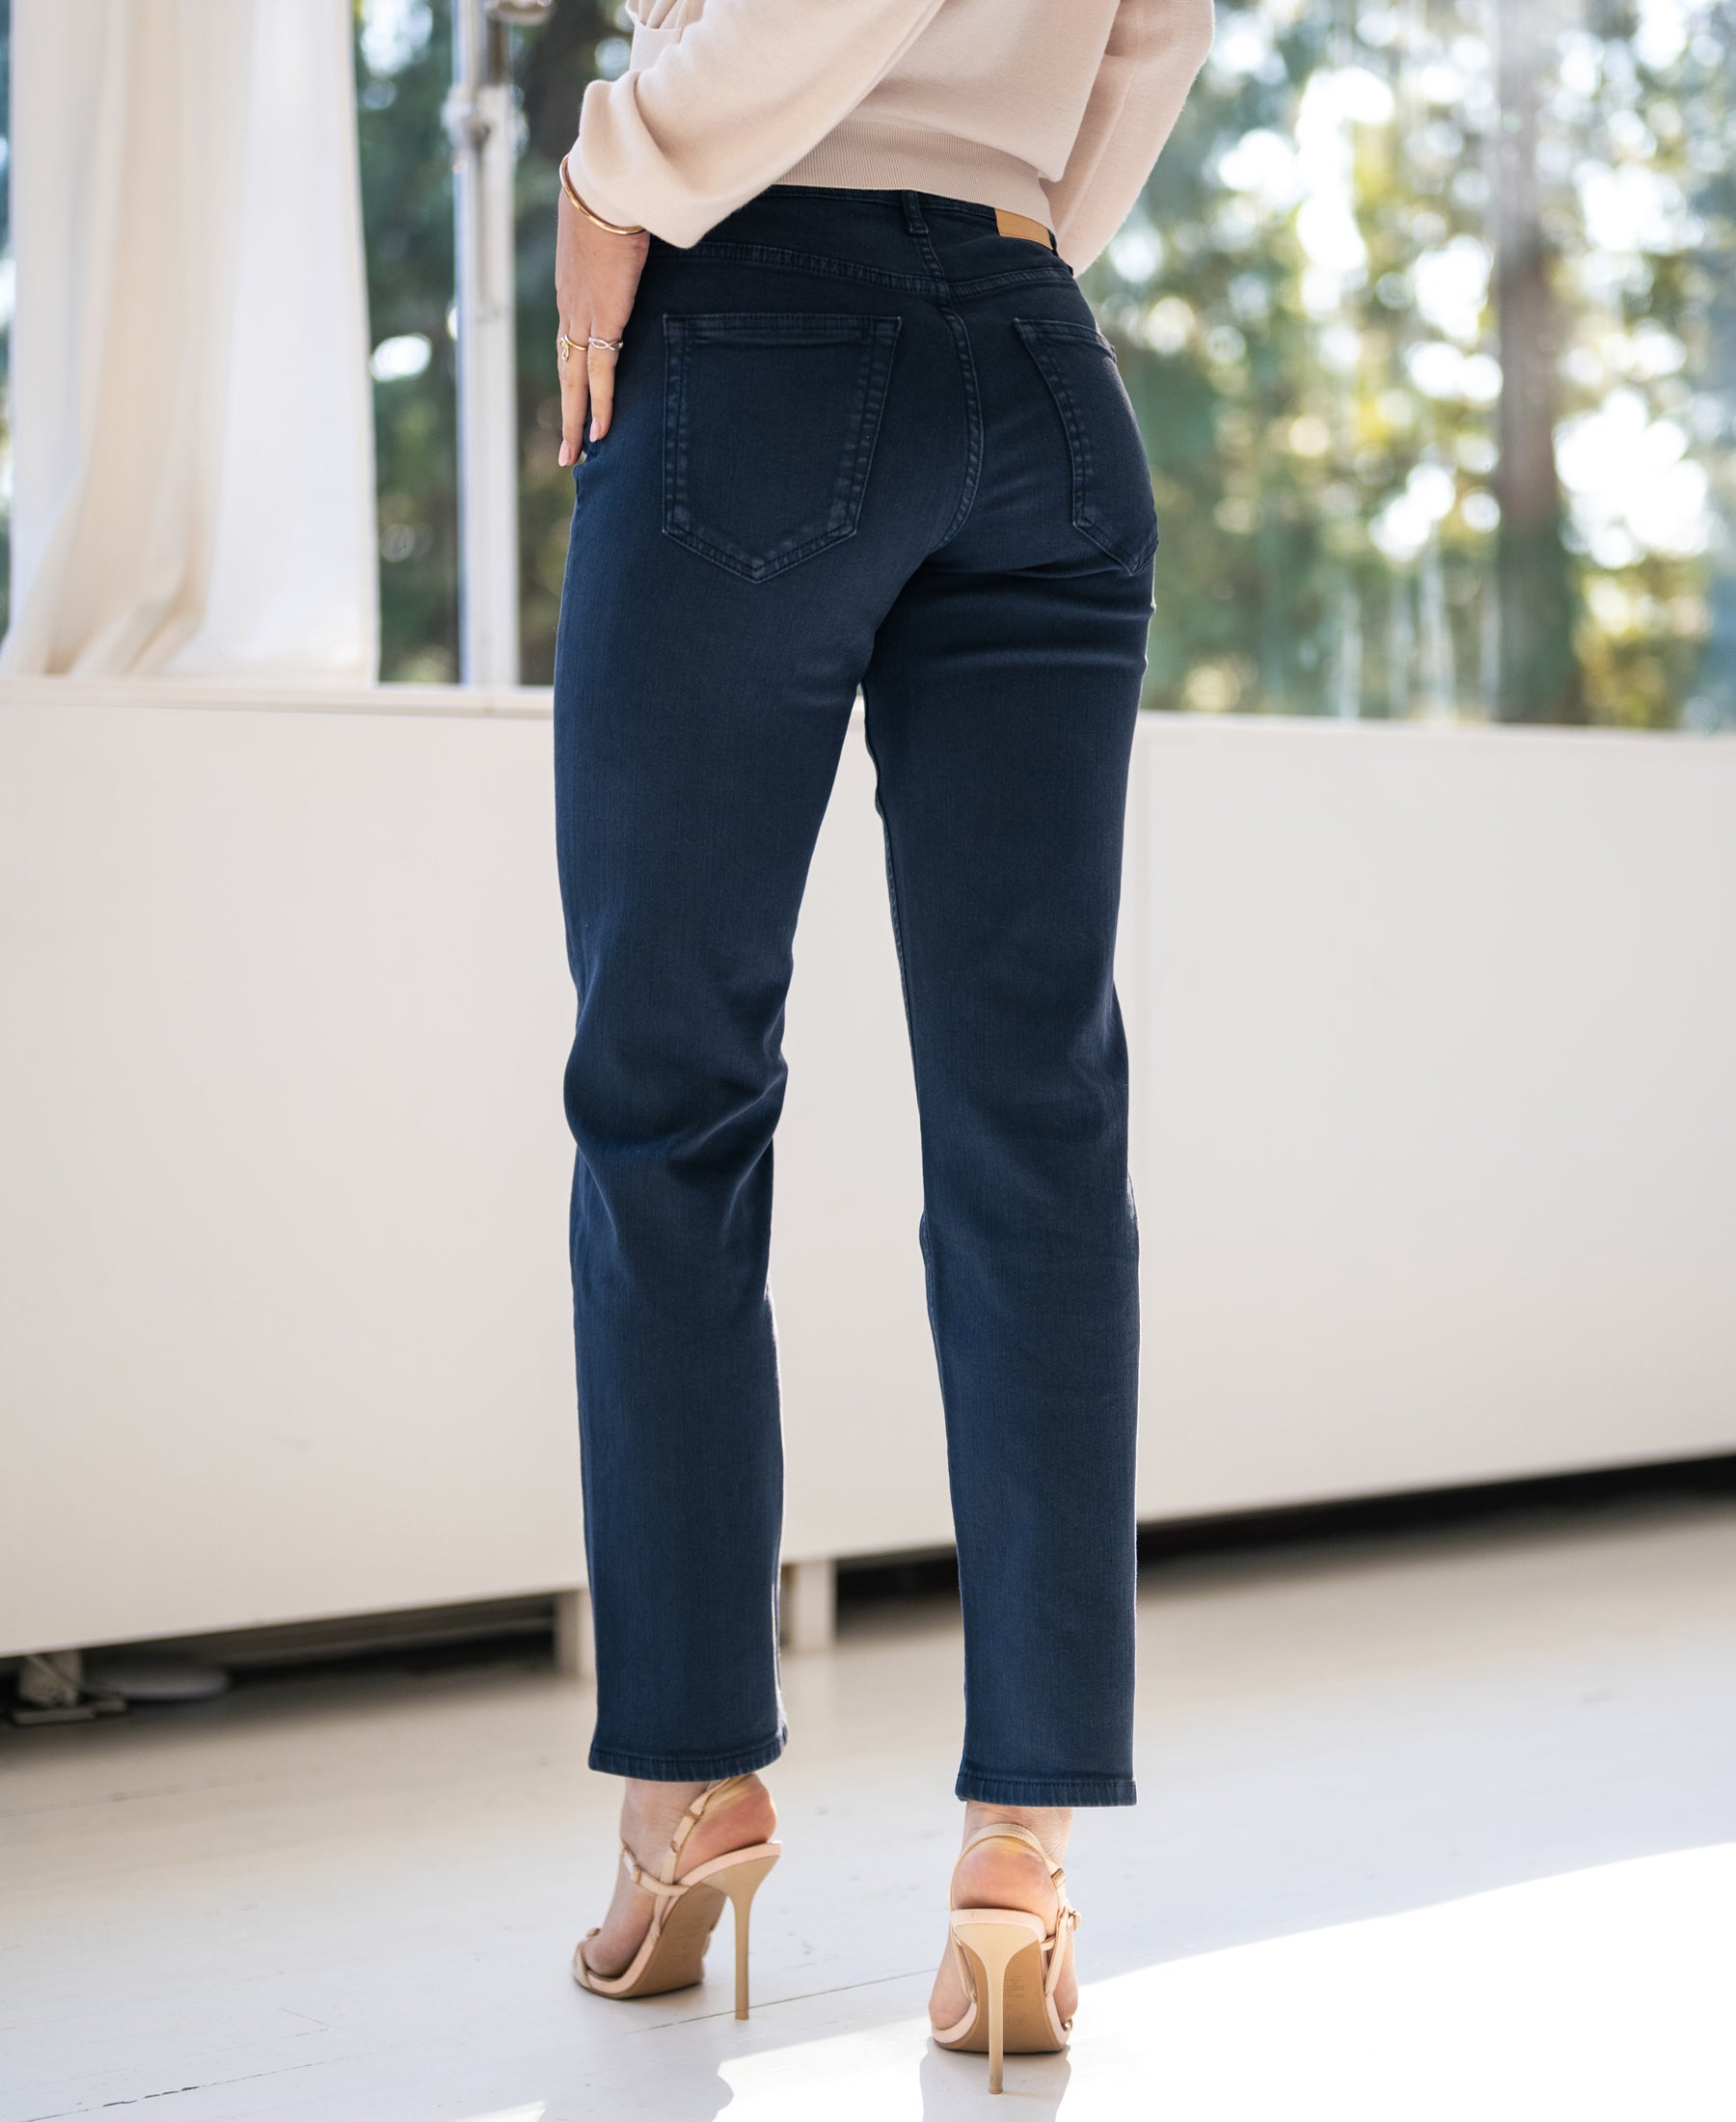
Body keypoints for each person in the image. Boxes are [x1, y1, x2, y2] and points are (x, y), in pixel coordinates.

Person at [550, 0, 1213, 2091]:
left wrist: (614, 161)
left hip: (765, 332)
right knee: (1036, 1118)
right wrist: (1015, 224)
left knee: (671, 1095)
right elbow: (1153, 27)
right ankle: (1019, 1856)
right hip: (1039, 356)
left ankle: (688, 1794)